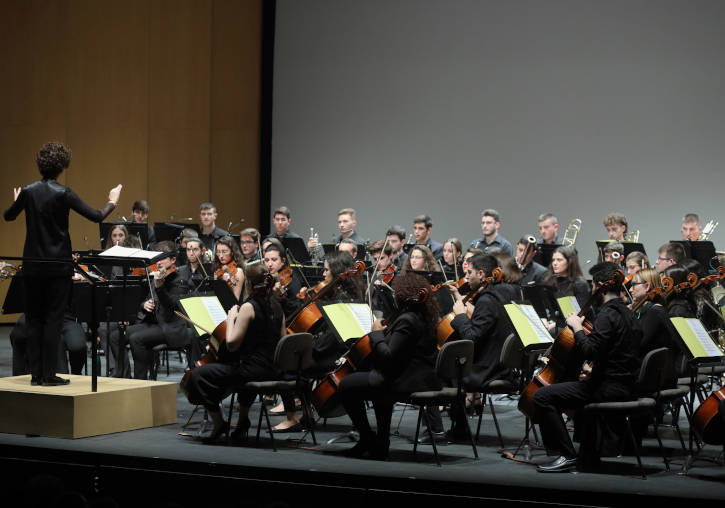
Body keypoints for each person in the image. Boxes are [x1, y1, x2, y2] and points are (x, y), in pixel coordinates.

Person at [4, 141, 121, 386]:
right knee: (54, 320)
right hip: (57, 267)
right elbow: (97, 216)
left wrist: (19, 199)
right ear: (62, 167)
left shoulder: (28, 191)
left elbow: (8, 216)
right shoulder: (64, 193)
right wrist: (112, 201)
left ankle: (36, 376)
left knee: (35, 319)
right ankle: (48, 375)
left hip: (33, 266)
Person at [533, 262, 641, 472]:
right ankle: (587, 454)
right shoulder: (630, 313)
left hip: (608, 387)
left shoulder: (606, 315)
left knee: (542, 396)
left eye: (593, 285)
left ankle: (566, 455)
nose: (592, 289)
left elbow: (590, 351)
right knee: (575, 388)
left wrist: (577, 328)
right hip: (627, 384)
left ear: (600, 285)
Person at [338, 272, 442, 459]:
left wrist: (376, 333)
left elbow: (388, 356)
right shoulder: (423, 316)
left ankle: (368, 437)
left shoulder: (407, 320)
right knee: (377, 384)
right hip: (420, 376)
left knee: (346, 385)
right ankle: (380, 441)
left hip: (407, 380)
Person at [185, 263, 285, 444]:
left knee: (198, 375)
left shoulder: (249, 307)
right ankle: (242, 421)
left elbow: (231, 344)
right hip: (274, 369)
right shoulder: (277, 306)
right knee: (242, 366)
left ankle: (219, 423)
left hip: (254, 372)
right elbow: (282, 341)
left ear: (249, 284)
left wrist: (231, 318)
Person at [445, 253, 520, 436]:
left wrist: (461, 315)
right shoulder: (502, 293)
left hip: (488, 370)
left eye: (469, 272)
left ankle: (459, 428)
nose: (466, 276)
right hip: (502, 366)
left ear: (480, 274)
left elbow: (471, 337)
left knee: (445, 371)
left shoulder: (486, 300)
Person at [110, 241, 192, 380]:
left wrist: (160, 287)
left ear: (173, 259)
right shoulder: (157, 275)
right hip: (154, 323)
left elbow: (172, 305)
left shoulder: (180, 279)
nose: (158, 262)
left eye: (162, 258)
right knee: (115, 336)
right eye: (156, 258)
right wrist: (144, 305)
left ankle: (140, 381)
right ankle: (124, 376)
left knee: (136, 339)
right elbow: (145, 298)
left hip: (170, 326)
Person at [543, 245, 590, 310]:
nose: (554, 263)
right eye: (553, 260)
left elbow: (581, 313)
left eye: (559, 260)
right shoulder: (550, 281)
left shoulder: (580, 284)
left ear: (569, 262)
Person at [213, 235, 245, 302]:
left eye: (224, 252)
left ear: (232, 252)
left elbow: (236, 298)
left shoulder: (238, 271)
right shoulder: (217, 270)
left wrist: (228, 282)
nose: (221, 256)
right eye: (218, 252)